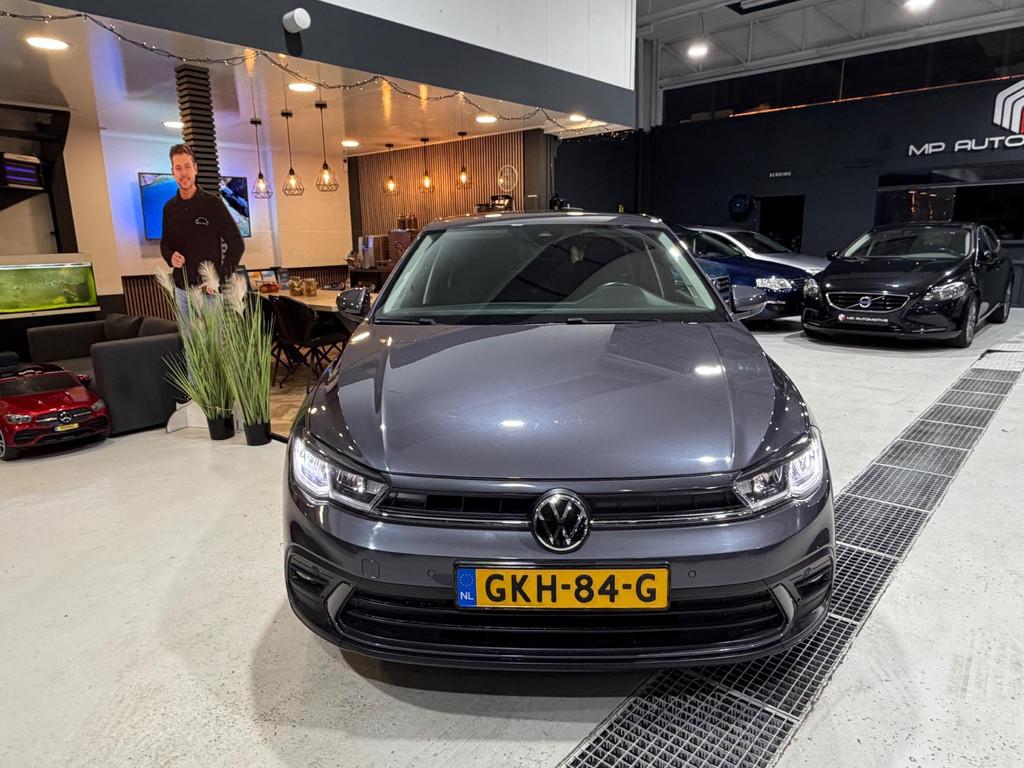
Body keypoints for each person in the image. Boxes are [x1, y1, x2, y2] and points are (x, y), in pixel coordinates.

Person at [160, 143, 244, 321]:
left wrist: (219, 278)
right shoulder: (169, 208)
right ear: (173, 172)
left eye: (187, 166)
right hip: (181, 290)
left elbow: (237, 243)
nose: (183, 173)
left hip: (209, 293)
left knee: (214, 340)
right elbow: (165, 244)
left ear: (195, 168)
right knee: (188, 340)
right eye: (178, 168)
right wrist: (170, 256)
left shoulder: (213, 204)